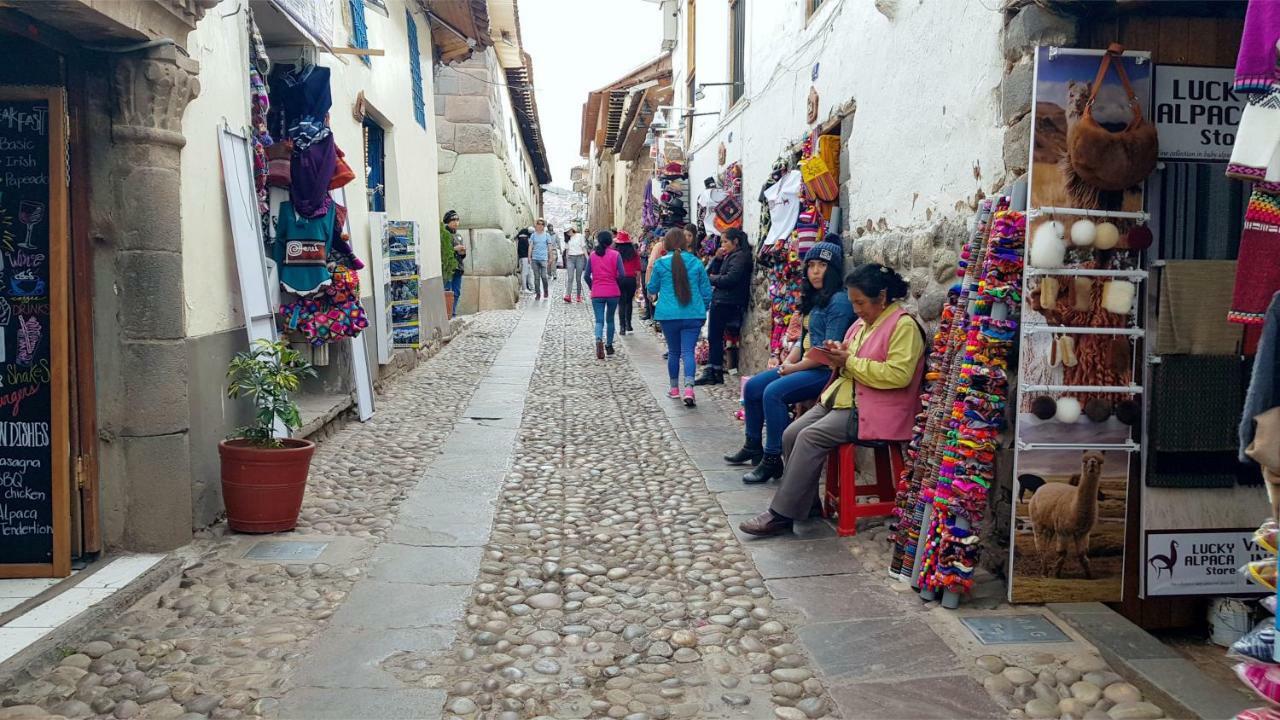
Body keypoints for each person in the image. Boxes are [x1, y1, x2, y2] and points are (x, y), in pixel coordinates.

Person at [739, 264, 926, 537]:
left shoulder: (903, 326)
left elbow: (898, 375)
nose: (857, 310)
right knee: (792, 433)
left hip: (874, 408)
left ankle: (780, 514)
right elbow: (852, 357)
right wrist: (838, 354)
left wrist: (849, 361)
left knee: (810, 437)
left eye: (860, 303)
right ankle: (807, 504)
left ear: (882, 297)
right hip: (844, 400)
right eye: (854, 303)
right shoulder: (863, 324)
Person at [726, 241, 855, 484]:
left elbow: (828, 350)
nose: (815, 271)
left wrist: (794, 368)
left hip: (824, 371)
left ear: (834, 269)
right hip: (805, 364)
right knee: (753, 387)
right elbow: (804, 340)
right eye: (811, 265)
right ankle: (754, 445)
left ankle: (774, 459)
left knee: (773, 392)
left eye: (822, 265)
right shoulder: (816, 299)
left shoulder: (838, 301)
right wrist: (787, 362)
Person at [647, 227, 712, 407]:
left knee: (674, 352)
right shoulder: (696, 263)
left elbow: (652, 288)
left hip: (668, 315)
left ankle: (674, 389)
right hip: (693, 314)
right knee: (688, 352)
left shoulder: (660, 264)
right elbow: (706, 292)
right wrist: (702, 308)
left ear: (666, 244)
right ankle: (689, 389)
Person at [696, 228, 754, 386]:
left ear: (735, 241)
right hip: (724, 300)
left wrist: (711, 279)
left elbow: (730, 279)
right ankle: (714, 370)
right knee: (714, 337)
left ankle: (713, 372)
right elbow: (717, 270)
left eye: (725, 241)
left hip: (726, 301)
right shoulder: (732, 256)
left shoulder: (741, 257)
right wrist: (718, 259)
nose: (722, 245)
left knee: (715, 336)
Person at [584, 230, 625, 358]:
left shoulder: (592, 255)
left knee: (599, 321)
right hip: (613, 291)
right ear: (609, 241)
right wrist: (615, 282)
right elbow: (622, 274)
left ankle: (598, 340)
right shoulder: (616, 255)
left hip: (597, 292)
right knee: (610, 319)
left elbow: (586, 276)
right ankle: (609, 345)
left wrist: (593, 286)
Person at [615, 231, 642, 335]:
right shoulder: (634, 253)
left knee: (621, 302)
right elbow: (638, 269)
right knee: (629, 302)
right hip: (631, 279)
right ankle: (629, 324)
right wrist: (638, 282)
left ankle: (622, 327)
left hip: (619, 279)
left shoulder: (616, 253)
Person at [444, 210, 465, 316]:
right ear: (448, 221)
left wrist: (462, 252)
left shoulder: (459, 236)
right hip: (448, 267)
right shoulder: (445, 234)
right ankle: (447, 314)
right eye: (453, 220)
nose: (456, 222)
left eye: (457, 220)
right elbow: (443, 251)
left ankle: (453, 312)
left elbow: (462, 255)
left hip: (458, 267)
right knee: (447, 290)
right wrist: (454, 249)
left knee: (457, 292)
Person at [529, 219, 554, 300]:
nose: (540, 225)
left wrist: (551, 257)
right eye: (538, 224)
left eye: (542, 224)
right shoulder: (533, 235)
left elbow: (550, 247)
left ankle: (546, 291)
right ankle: (538, 293)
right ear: (536, 225)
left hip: (543, 259)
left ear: (544, 226)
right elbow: (530, 246)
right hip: (535, 259)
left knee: (544, 277)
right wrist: (529, 257)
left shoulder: (547, 235)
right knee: (536, 277)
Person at [565, 227, 589, 303]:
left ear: (572, 229)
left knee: (578, 278)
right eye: (566, 232)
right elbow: (567, 250)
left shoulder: (580, 236)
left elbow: (583, 247)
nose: (568, 233)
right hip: (570, 258)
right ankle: (568, 295)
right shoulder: (567, 238)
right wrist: (566, 259)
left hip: (580, 257)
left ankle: (578, 296)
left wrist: (587, 258)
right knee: (570, 277)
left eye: (568, 231)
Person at [517, 226, 532, 293]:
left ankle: (527, 287)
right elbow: (528, 249)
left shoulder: (520, 239)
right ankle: (524, 288)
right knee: (525, 273)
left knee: (526, 272)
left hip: (522, 257)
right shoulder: (524, 240)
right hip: (525, 257)